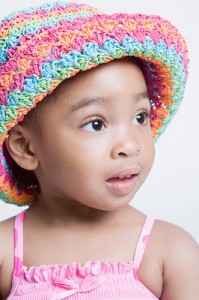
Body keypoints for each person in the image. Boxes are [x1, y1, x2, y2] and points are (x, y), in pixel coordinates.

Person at [0, 1, 198, 299]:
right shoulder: (5, 252)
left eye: (140, 117)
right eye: (95, 124)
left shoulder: (170, 252)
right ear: (25, 148)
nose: (130, 145)